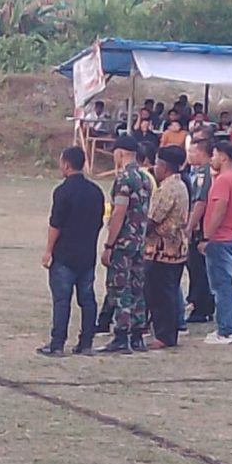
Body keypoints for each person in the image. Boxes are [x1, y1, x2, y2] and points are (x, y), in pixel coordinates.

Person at [38, 147, 105, 357]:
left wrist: (48, 250)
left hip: (65, 255)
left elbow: (55, 224)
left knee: (62, 300)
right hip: (87, 254)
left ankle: (57, 343)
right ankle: (86, 342)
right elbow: (99, 222)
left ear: (66, 164)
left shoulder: (62, 191)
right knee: (87, 299)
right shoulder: (96, 192)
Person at [98, 136, 151, 354]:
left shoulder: (124, 179)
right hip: (139, 241)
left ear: (120, 153)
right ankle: (137, 335)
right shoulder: (145, 178)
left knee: (119, 288)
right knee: (137, 287)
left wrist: (109, 244)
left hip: (123, 242)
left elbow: (119, 212)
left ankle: (121, 335)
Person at [200, 142, 232, 345]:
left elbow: (219, 209)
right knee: (222, 284)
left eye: (214, 155)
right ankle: (224, 327)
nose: (212, 159)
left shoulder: (223, 180)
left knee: (222, 286)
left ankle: (226, 330)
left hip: (221, 239)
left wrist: (206, 237)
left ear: (224, 157)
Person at [144, 146, 189, 349]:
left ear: (164, 166)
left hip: (161, 250)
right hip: (177, 249)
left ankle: (164, 336)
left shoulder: (166, 189)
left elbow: (153, 219)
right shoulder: (181, 185)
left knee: (161, 294)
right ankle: (168, 333)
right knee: (169, 292)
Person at [184, 138, 215, 324]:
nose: (189, 155)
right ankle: (198, 301)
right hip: (199, 228)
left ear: (201, 153)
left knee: (199, 268)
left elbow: (200, 202)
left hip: (200, 229)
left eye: (192, 151)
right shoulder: (197, 172)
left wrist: (190, 226)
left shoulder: (204, 174)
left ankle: (202, 308)